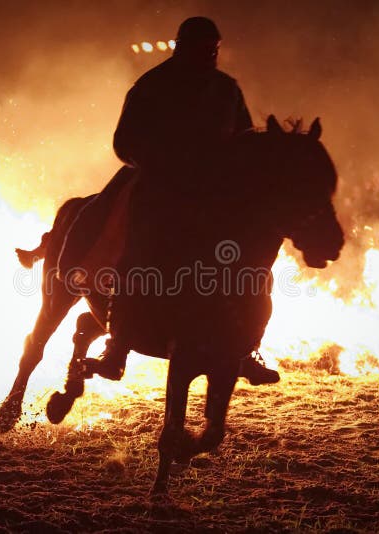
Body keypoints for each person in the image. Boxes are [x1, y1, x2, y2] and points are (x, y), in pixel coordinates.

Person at [86, 16, 279, 385]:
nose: (210, 56)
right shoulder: (152, 87)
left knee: (253, 269)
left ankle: (247, 347)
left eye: (214, 50)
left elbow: (243, 139)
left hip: (215, 196)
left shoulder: (227, 90)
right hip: (162, 193)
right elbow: (123, 142)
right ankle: (118, 347)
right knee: (138, 260)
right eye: (203, 49)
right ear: (182, 48)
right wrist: (163, 163)